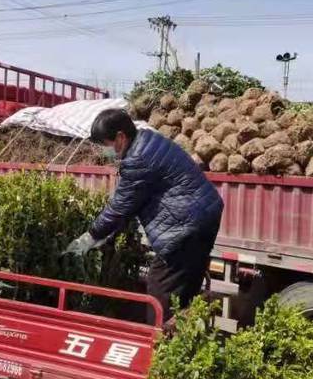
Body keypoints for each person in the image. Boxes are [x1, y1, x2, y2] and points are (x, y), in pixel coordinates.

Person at [66, 108, 224, 323]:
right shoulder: (148, 140)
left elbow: (120, 207)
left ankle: (161, 347)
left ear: (120, 137)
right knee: (184, 293)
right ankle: (186, 345)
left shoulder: (138, 158)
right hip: (204, 215)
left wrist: (89, 237)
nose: (104, 151)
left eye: (105, 144)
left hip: (186, 226)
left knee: (161, 292)